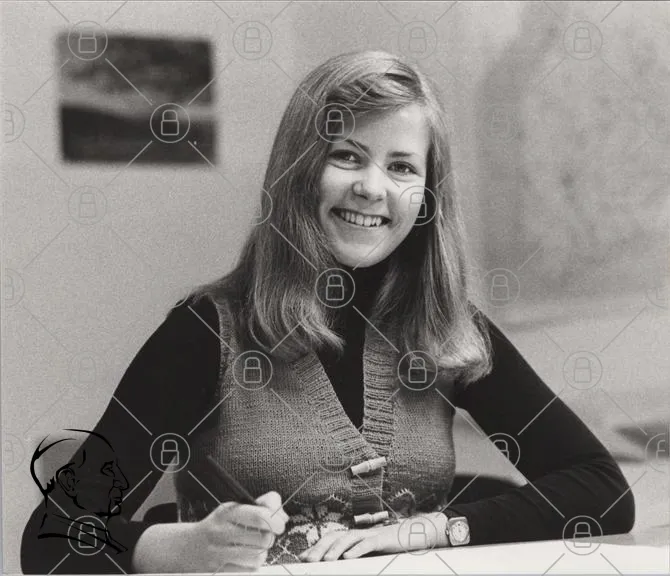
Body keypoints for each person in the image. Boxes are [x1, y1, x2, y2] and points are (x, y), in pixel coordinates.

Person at [21, 50, 634, 574]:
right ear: (298, 169)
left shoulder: (450, 329)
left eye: (401, 166)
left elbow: (601, 490)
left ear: (426, 196)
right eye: (347, 155)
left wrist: (432, 529)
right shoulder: (207, 330)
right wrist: (183, 547)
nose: (373, 187)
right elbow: (51, 539)